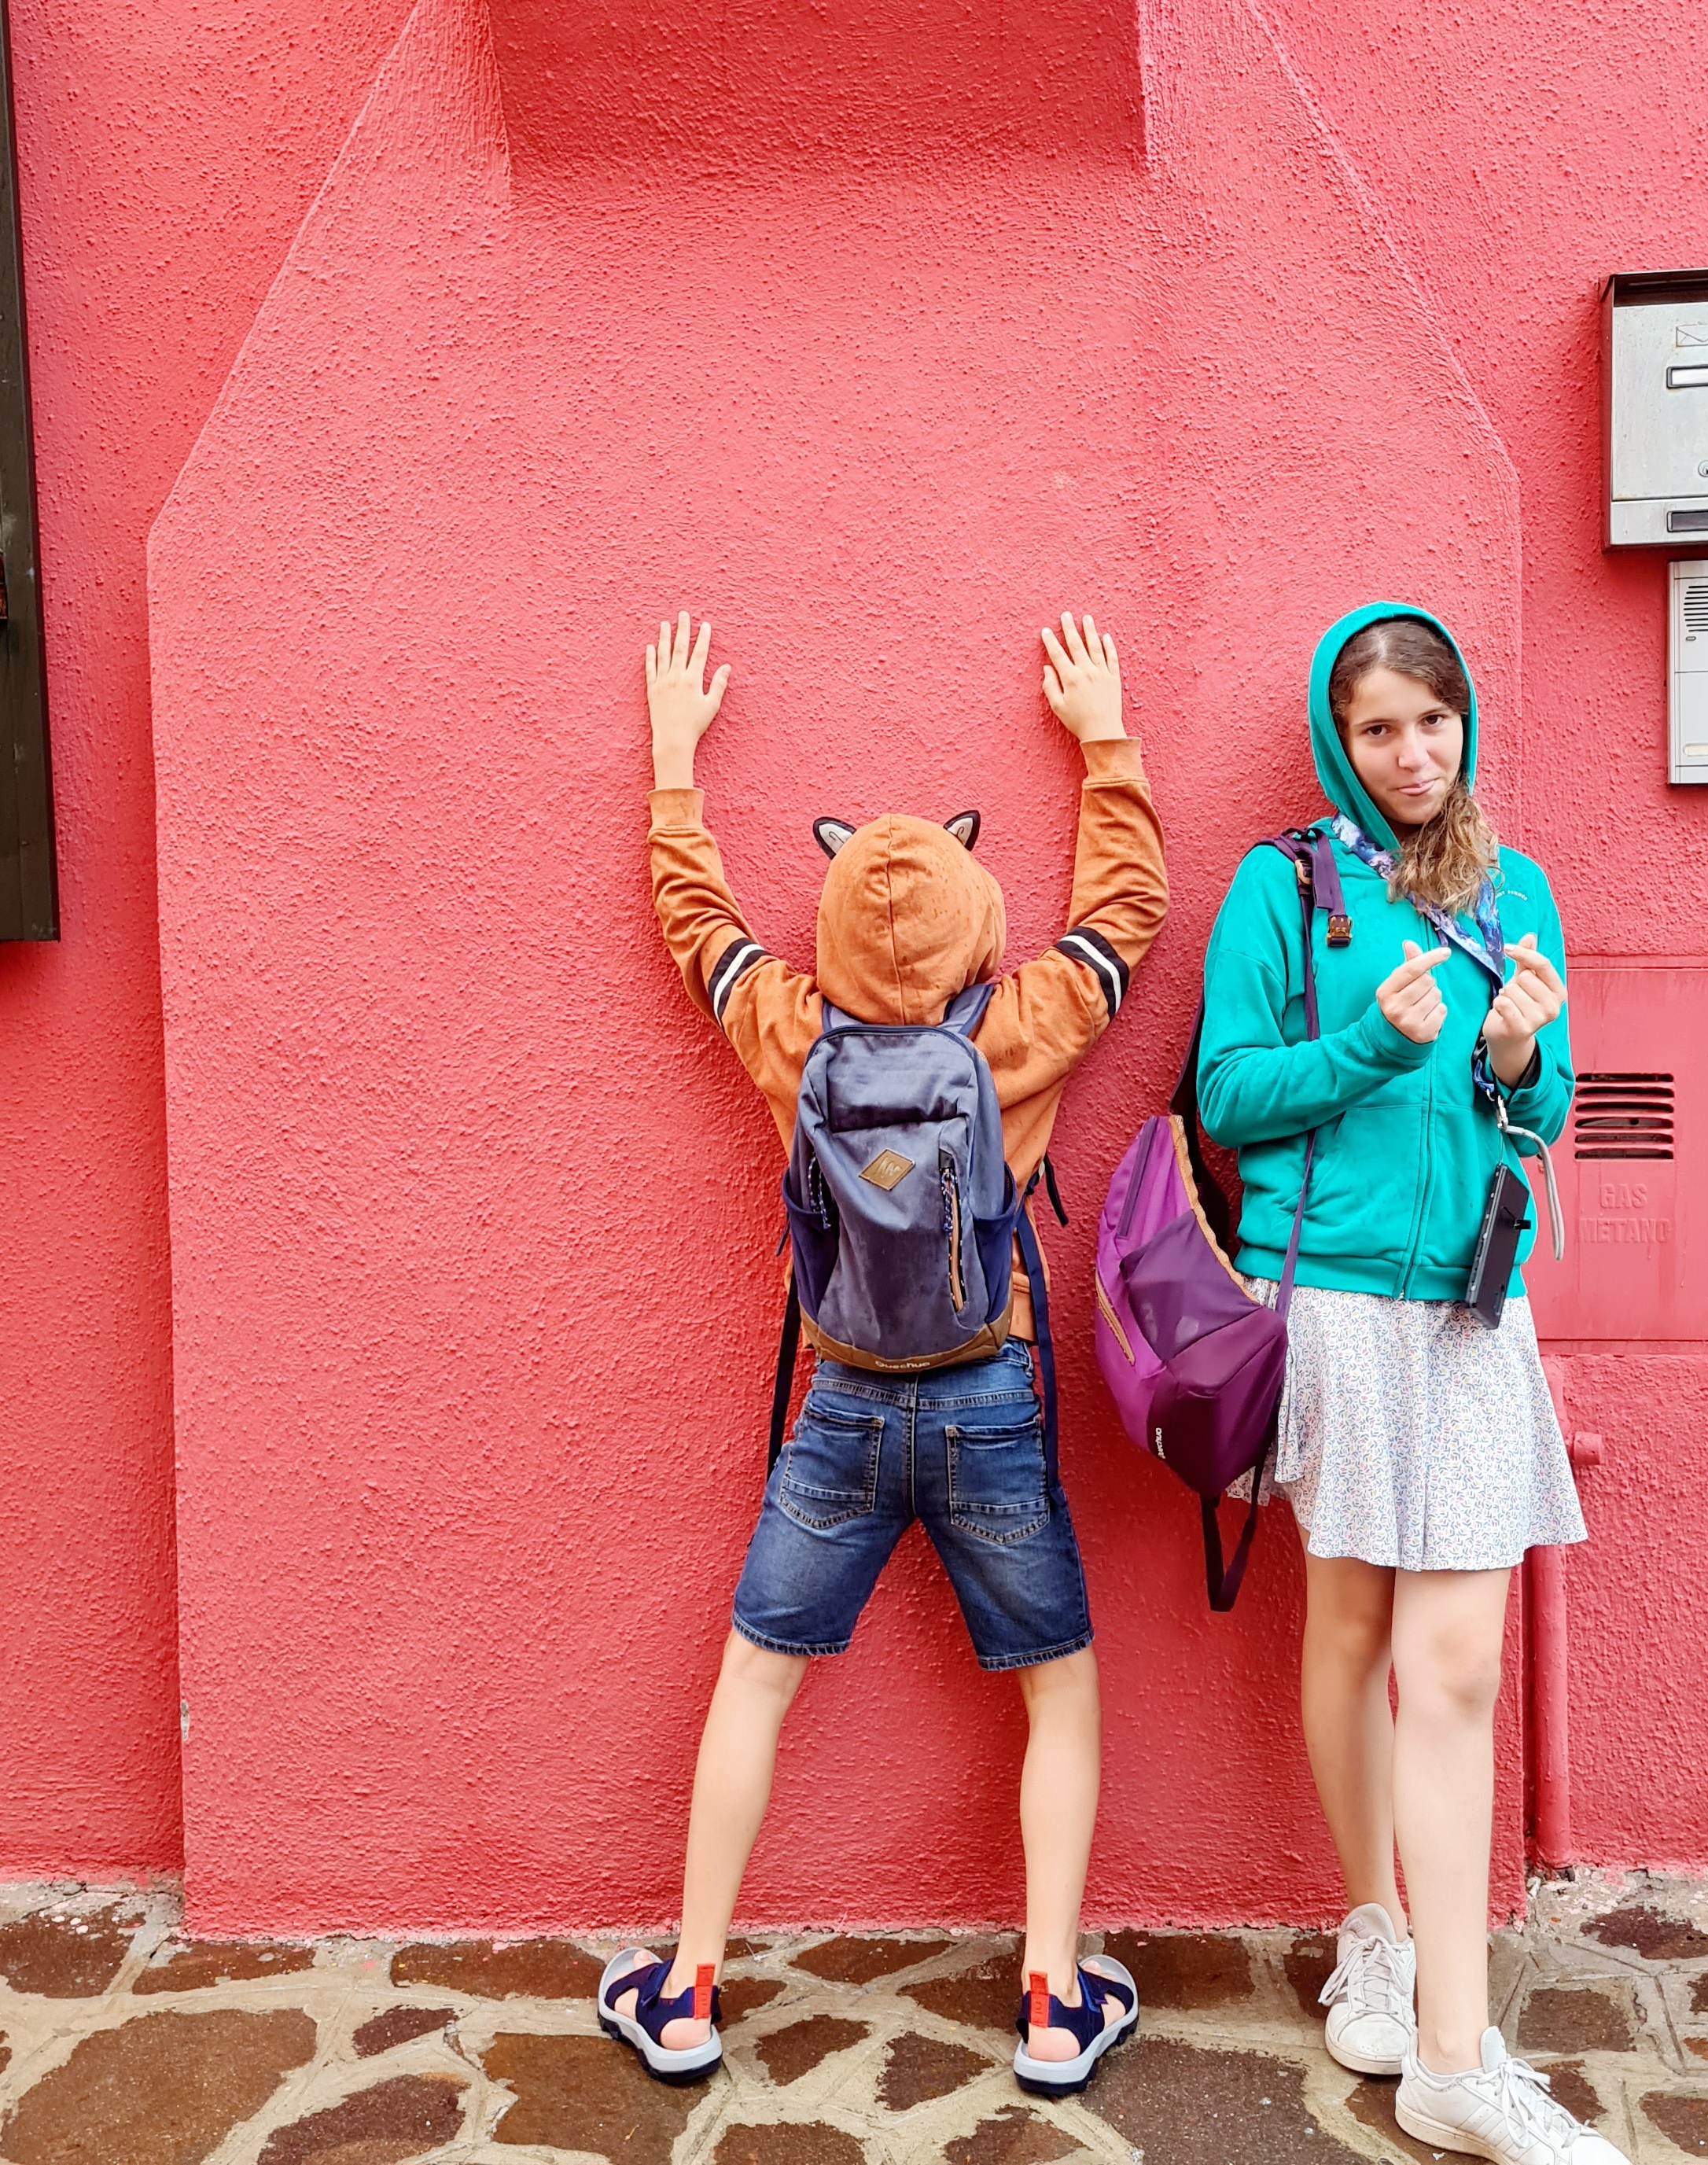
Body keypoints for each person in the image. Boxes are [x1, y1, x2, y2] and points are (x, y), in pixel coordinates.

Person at [602, 609, 1166, 2096]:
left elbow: (697, 927)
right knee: (1057, 1683)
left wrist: (674, 766)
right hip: (990, 1397)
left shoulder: (794, 1033)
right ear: (979, 909)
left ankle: (686, 1988)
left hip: (840, 1402)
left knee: (755, 1676)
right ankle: (1054, 2000)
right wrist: (1103, 739)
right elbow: (1128, 910)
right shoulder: (1020, 1029)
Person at [1198, 605, 1623, 2163]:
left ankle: (1452, 2051)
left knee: (1453, 1671)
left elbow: (1538, 1119)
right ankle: (1371, 1923)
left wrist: (1516, 1060)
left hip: (1471, 1310)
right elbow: (1228, 1092)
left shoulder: (1516, 893)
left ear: (1465, 723)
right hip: (1330, 1301)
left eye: (1431, 721)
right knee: (1350, 1629)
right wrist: (1371, 1052)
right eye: (1377, 728)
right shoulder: (1283, 887)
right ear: (1339, 739)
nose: (1410, 752)